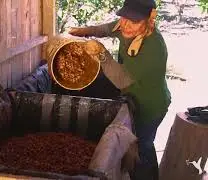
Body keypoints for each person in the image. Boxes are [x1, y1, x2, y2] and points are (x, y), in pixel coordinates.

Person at [68, 0, 171, 179]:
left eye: (134, 22)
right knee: (140, 144)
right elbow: (107, 29)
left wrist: (101, 53)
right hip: (132, 96)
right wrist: (83, 31)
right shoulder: (126, 25)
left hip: (151, 105)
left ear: (148, 21)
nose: (126, 26)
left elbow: (121, 80)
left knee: (143, 145)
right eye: (124, 18)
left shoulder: (154, 48)